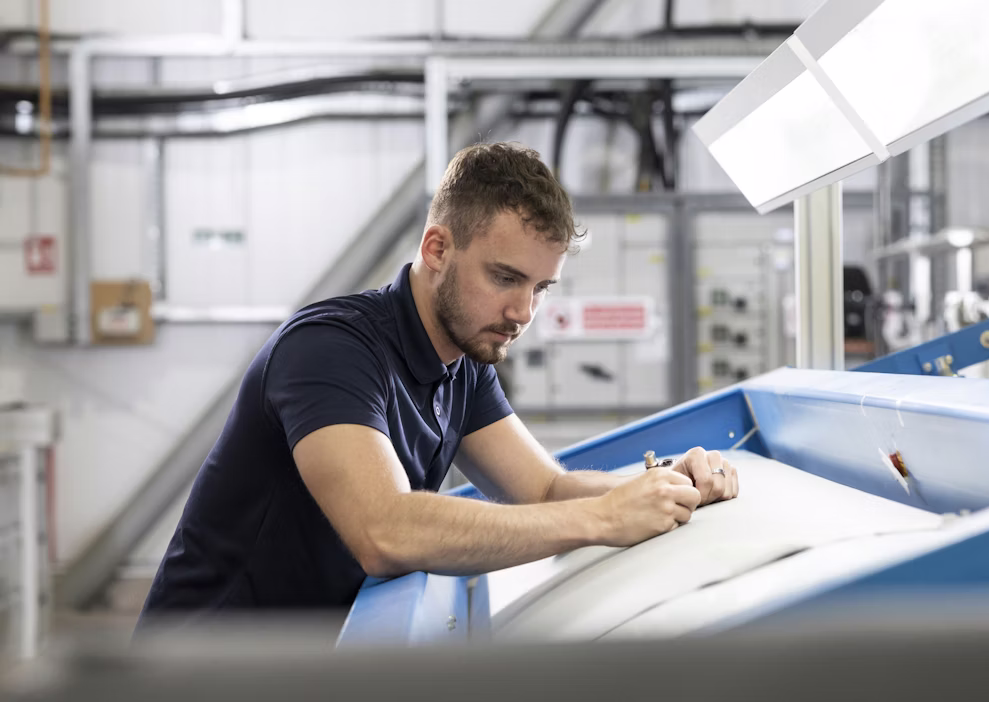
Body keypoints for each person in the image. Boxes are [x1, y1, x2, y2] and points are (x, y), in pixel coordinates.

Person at [137, 142, 739, 630]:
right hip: (201, 671)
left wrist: (663, 485)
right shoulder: (329, 350)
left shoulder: (464, 361)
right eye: (505, 277)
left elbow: (544, 486)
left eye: (541, 287)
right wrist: (606, 519)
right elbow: (385, 531)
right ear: (437, 249)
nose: (524, 310)